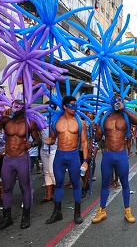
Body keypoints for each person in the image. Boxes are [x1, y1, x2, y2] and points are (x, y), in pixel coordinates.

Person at [0, 99, 41, 230]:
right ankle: (7, 218)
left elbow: (38, 140)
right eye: (13, 106)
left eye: (17, 106)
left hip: (23, 158)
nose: (14, 108)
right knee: (7, 188)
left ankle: (26, 217)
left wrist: (32, 144)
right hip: (8, 159)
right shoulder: (6, 121)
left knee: (25, 187)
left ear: (23, 108)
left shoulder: (29, 122)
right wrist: (2, 117)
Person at [91, 95, 137, 224]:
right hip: (108, 155)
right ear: (112, 103)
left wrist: (124, 109)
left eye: (120, 101)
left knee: (125, 183)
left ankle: (127, 210)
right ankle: (102, 211)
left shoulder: (126, 117)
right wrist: (95, 130)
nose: (118, 103)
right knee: (105, 184)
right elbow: (97, 138)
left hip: (121, 154)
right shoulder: (105, 118)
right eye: (116, 101)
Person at [45, 96, 88, 225]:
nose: (74, 108)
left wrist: (85, 160)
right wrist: (50, 141)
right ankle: (57, 213)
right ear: (64, 106)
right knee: (58, 183)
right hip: (60, 155)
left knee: (75, 183)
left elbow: (85, 142)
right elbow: (53, 138)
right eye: (71, 105)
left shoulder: (80, 122)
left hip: (74, 155)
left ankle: (77, 213)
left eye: (76, 105)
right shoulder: (55, 122)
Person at [40, 103, 57, 203]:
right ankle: (49, 195)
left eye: (49, 108)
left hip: (54, 148)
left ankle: (57, 191)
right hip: (44, 148)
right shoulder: (41, 119)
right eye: (45, 109)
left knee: (51, 171)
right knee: (46, 172)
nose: (46, 110)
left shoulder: (57, 119)